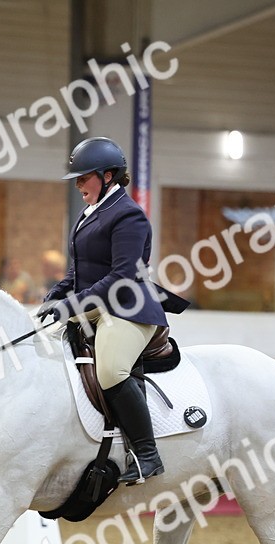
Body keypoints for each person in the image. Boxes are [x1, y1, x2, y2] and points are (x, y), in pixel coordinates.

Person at [38, 137, 190, 484]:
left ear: (108, 176)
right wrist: (57, 294)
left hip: (128, 309)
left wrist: (74, 304)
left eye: (83, 177)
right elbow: (80, 271)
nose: (78, 185)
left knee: (110, 371)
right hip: (95, 305)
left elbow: (123, 275)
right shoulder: (90, 213)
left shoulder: (129, 216)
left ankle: (147, 455)